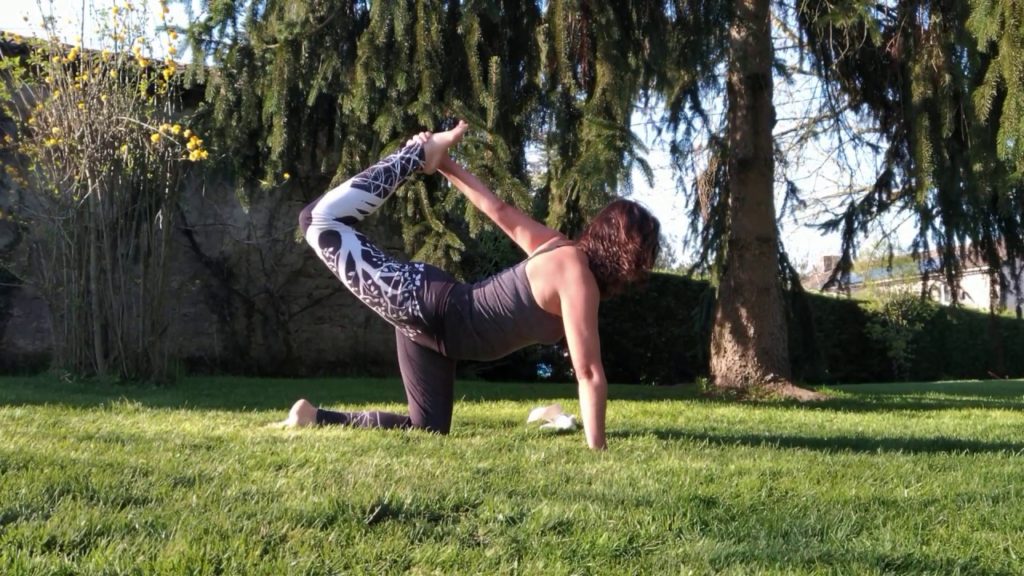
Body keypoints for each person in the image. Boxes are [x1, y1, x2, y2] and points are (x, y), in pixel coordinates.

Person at [286, 121, 660, 449]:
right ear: (627, 252)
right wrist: (598, 449)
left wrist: (446, 164)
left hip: (434, 334)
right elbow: (590, 373)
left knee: (427, 428)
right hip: (425, 304)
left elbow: (498, 210)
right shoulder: (575, 273)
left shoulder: (561, 251)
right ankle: (414, 154)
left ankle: (311, 416)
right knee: (318, 221)